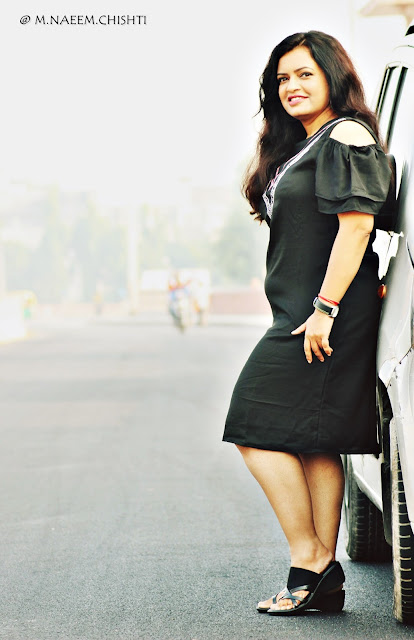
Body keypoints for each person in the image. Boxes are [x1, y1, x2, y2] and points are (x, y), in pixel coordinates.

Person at [222, 30, 392, 616]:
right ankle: (319, 577)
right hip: (304, 310)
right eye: (282, 79)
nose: (291, 86)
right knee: (316, 440)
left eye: (304, 75)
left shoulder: (345, 135)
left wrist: (325, 309)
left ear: (332, 77)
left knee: (251, 422)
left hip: (324, 313)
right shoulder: (306, 142)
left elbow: (356, 227)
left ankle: (311, 559)